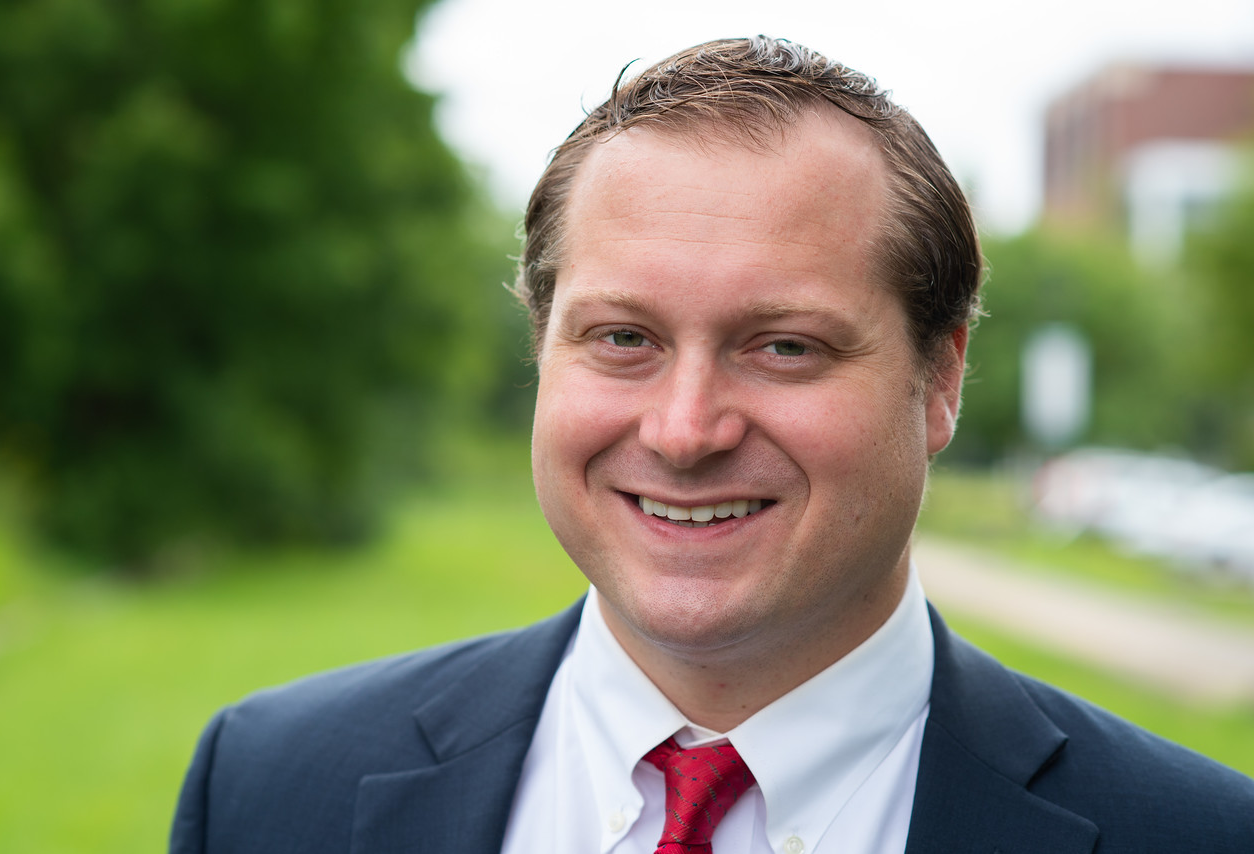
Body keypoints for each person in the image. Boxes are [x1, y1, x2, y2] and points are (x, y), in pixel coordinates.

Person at [169, 36, 1254, 854]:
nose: (685, 431)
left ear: (939, 380)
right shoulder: (268, 790)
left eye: (783, 347)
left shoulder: (1196, 834)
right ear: (542, 349)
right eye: (623, 338)